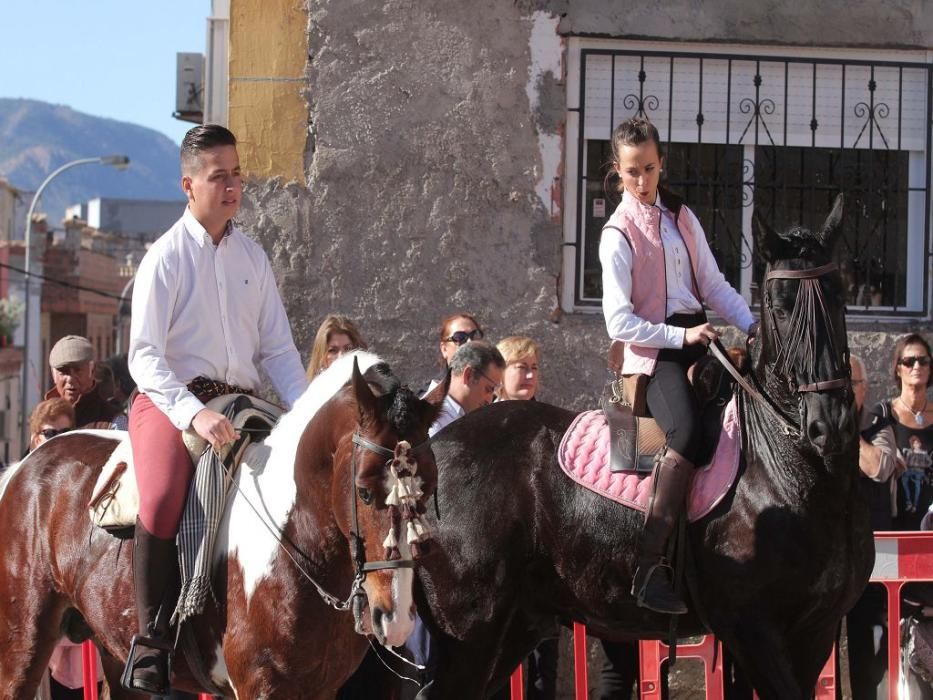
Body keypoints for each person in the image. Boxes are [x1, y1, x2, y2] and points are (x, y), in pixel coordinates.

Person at [124, 124, 308, 694]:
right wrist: (191, 413)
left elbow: (277, 349)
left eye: (237, 174)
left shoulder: (254, 256)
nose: (232, 186)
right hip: (169, 400)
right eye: (218, 176)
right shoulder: (165, 258)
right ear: (189, 185)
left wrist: (303, 415)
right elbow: (144, 356)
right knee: (159, 496)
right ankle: (153, 641)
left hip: (243, 401)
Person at [598, 117, 758, 615]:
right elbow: (618, 323)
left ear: (661, 161)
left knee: (754, 418)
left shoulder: (682, 215)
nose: (642, 181)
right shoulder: (616, 233)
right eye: (631, 172)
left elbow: (712, 286)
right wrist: (680, 335)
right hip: (654, 353)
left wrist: (755, 327)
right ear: (617, 172)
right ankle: (648, 568)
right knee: (685, 432)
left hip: (699, 341)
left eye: (649, 168)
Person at [845, 353, 905, 700]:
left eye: (850, 383)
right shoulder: (812, 426)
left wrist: (845, 433)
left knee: (866, 653)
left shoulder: (879, 425)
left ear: (865, 388)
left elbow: (879, 467)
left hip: (869, 560)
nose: (843, 390)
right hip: (824, 557)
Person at [43, 335, 123, 429]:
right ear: (53, 374)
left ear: (92, 371)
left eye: (77, 370)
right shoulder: (43, 418)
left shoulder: (114, 421)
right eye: (64, 372)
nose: (70, 379)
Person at [430, 340, 504, 436]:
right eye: (489, 389)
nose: (489, 399)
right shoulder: (432, 422)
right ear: (469, 375)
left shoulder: (467, 415)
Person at [305, 314, 367, 379]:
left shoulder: (370, 387)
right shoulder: (312, 388)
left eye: (348, 349)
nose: (341, 356)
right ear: (321, 357)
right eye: (333, 350)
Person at [496, 336, 540, 402]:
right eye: (522, 367)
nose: (531, 375)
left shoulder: (549, 412)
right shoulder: (484, 411)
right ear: (500, 372)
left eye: (534, 368)